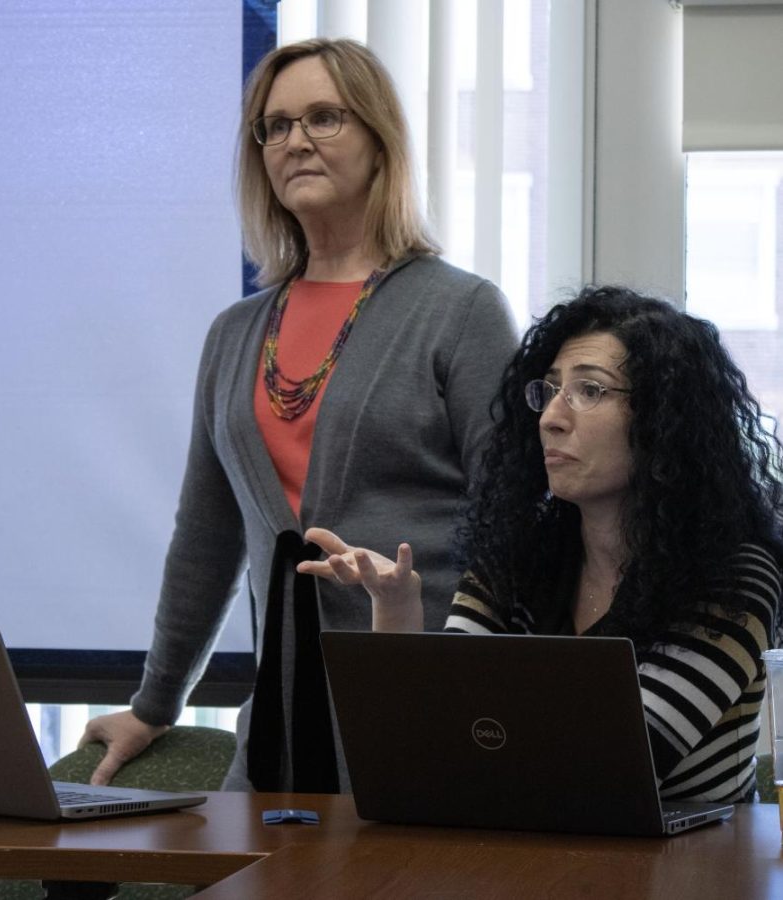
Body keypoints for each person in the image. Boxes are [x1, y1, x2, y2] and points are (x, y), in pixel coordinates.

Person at [80, 38, 517, 792]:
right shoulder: (234, 332)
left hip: (431, 723)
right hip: (276, 740)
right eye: (274, 127)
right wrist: (154, 705)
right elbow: (206, 540)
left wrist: (476, 697)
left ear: (380, 141)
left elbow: (513, 528)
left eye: (323, 118)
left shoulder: (462, 311)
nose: (296, 142)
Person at [300, 286, 783, 802]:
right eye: (550, 390)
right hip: (525, 863)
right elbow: (416, 754)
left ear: (666, 421)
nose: (551, 417)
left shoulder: (733, 576)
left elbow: (616, 769)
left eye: (590, 390)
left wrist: (468, 741)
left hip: (688, 873)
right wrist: (397, 615)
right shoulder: (517, 551)